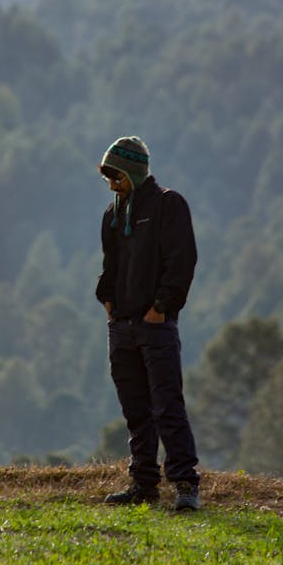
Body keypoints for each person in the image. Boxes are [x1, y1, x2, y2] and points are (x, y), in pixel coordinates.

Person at [96, 136, 200, 511]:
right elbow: (110, 266)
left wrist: (161, 308)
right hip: (120, 328)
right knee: (136, 410)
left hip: (156, 327)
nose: (111, 183)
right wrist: (107, 299)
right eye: (108, 176)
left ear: (134, 172)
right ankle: (143, 484)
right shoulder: (112, 215)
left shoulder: (168, 205)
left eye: (116, 175)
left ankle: (186, 484)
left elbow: (182, 260)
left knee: (167, 406)